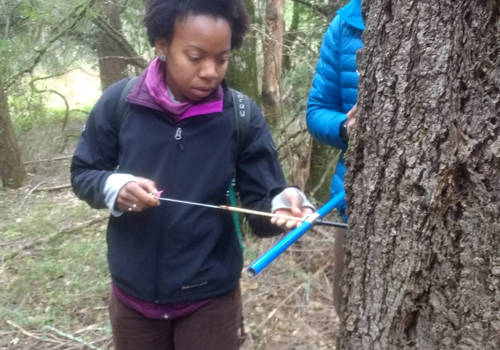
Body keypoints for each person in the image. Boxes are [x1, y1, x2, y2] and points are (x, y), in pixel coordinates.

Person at [70, 0, 314, 349]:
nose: (211, 72)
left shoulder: (241, 117)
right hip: (133, 300)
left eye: (222, 59)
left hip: (210, 302)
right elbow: (84, 173)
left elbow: (261, 204)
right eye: (196, 57)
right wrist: (113, 187)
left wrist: (280, 204)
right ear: (162, 46)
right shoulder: (119, 103)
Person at [306, 0, 364, 316]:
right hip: (354, 204)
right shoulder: (345, 24)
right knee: (351, 311)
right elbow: (316, 111)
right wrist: (343, 126)